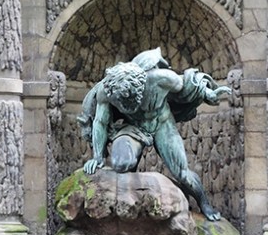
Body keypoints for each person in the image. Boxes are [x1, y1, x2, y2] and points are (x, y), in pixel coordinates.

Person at [78, 48, 231, 221]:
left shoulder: (161, 79)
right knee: (120, 164)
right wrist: (97, 157)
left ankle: (204, 203)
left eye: (127, 99)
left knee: (182, 174)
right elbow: (100, 122)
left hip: (162, 123)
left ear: (138, 88)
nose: (122, 104)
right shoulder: (107, 92)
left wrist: (208, 93)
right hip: (132, 127)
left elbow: (188, 84)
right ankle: (130, 210)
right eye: (119, 101)